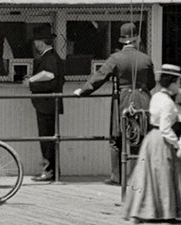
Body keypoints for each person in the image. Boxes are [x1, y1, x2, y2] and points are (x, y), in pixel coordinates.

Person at [74, 22, 153, 186]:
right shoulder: (146, 59)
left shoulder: (116, 58)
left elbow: (100, 77)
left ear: (122, 40)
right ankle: (140, 177)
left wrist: (82, 90)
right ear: (136, 38)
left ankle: (117, 176)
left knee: (117, 138)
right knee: (139, 137)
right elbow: (151, 82)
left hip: (123, 99)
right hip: (143, 99)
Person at [122, 65, 181, 223]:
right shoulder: (166, 102)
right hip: (161, 140)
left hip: (151, 139)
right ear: (172, 83)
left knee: (147, 176)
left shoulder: (157, 96)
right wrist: (177, 144)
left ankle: (142, 210)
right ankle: (165, 211)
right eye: (178, 82)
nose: (180, 86)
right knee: (163, 176)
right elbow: (166, 128)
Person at [27, 24, 65, 183]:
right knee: (50, 138)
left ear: (41, 42)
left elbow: (50, 81)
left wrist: (31, 83)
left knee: (47, 138)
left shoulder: (49, 59)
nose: (34, 45)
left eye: (36, 41)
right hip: (49, 104)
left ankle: (49, 171)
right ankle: (52, 170)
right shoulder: (52, 57)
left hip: (46, 104)